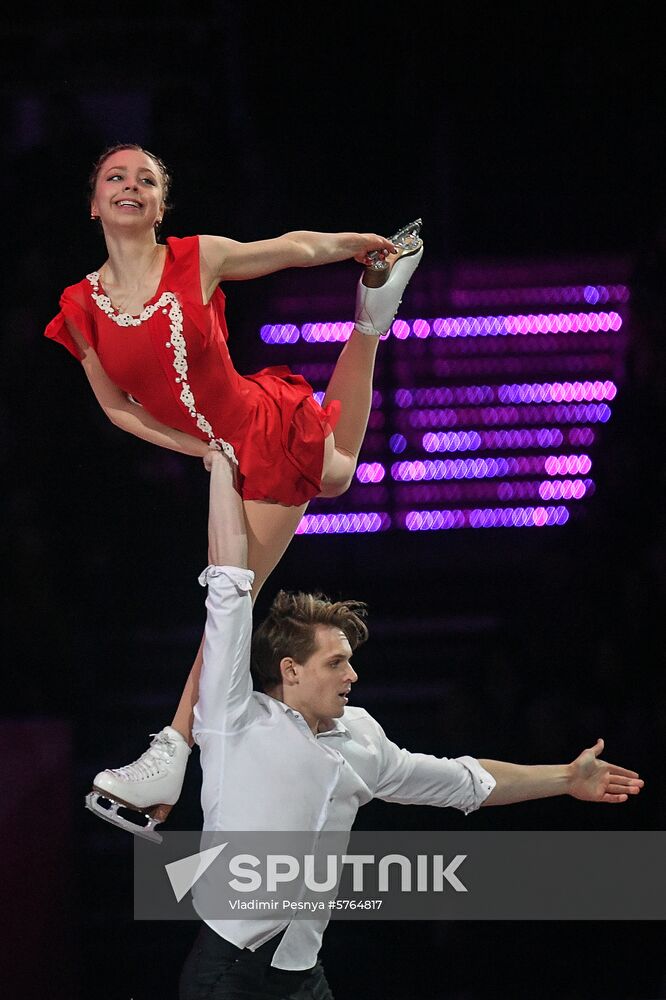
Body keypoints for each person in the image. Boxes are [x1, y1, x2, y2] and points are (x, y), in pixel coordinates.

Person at [44, 144, 424, 835]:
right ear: (95, 202)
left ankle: (169, 751)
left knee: (233, 600)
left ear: (160, 205)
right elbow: (116, 407)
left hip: (259, 429)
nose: (132, 186)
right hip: (224, 454)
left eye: (147, 179)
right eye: (116, 178)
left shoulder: (197, 258)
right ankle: (373, 317)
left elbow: (291, 248)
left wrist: (351, 244)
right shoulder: (80, 305)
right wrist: (198, 449)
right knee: (336, 471)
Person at [177, 447, 643, 999]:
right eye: (336, 662)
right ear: (290, 670)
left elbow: (463, 782)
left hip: (302, 976)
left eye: (350, 660)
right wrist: (225, 471)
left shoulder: (363, 739)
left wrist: (566, 777)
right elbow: (229, 589)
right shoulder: (235, 717)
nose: (352, 673)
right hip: (227, 973)